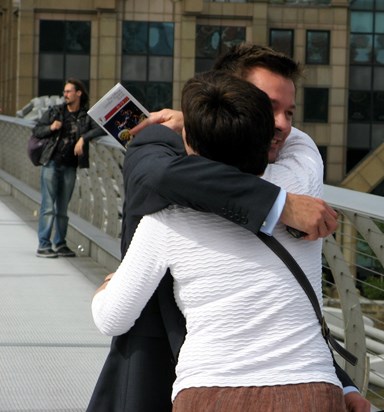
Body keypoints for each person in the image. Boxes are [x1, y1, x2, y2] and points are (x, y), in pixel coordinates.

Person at [88, 44, 369, 412]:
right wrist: (278, 205)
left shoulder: (167, 214)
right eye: (269, 108)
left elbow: (112, 316)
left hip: (209, 391)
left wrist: (191, 122)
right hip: (310, 391)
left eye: (289, 112)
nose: (284, 124)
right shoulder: (302, 185)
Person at [32, 78, 103, 258]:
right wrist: (51, 127)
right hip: (51, 163)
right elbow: (37, 131)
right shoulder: (55, 111)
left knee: (62, 209)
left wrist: (83, 138)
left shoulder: (86, 116)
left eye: (69, 91)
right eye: (64, 92)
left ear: (78, 93)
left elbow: (101, 129)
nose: (65, 95)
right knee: (48, 206)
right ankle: (44, 245)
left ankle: (60, 243)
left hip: (70, 166)